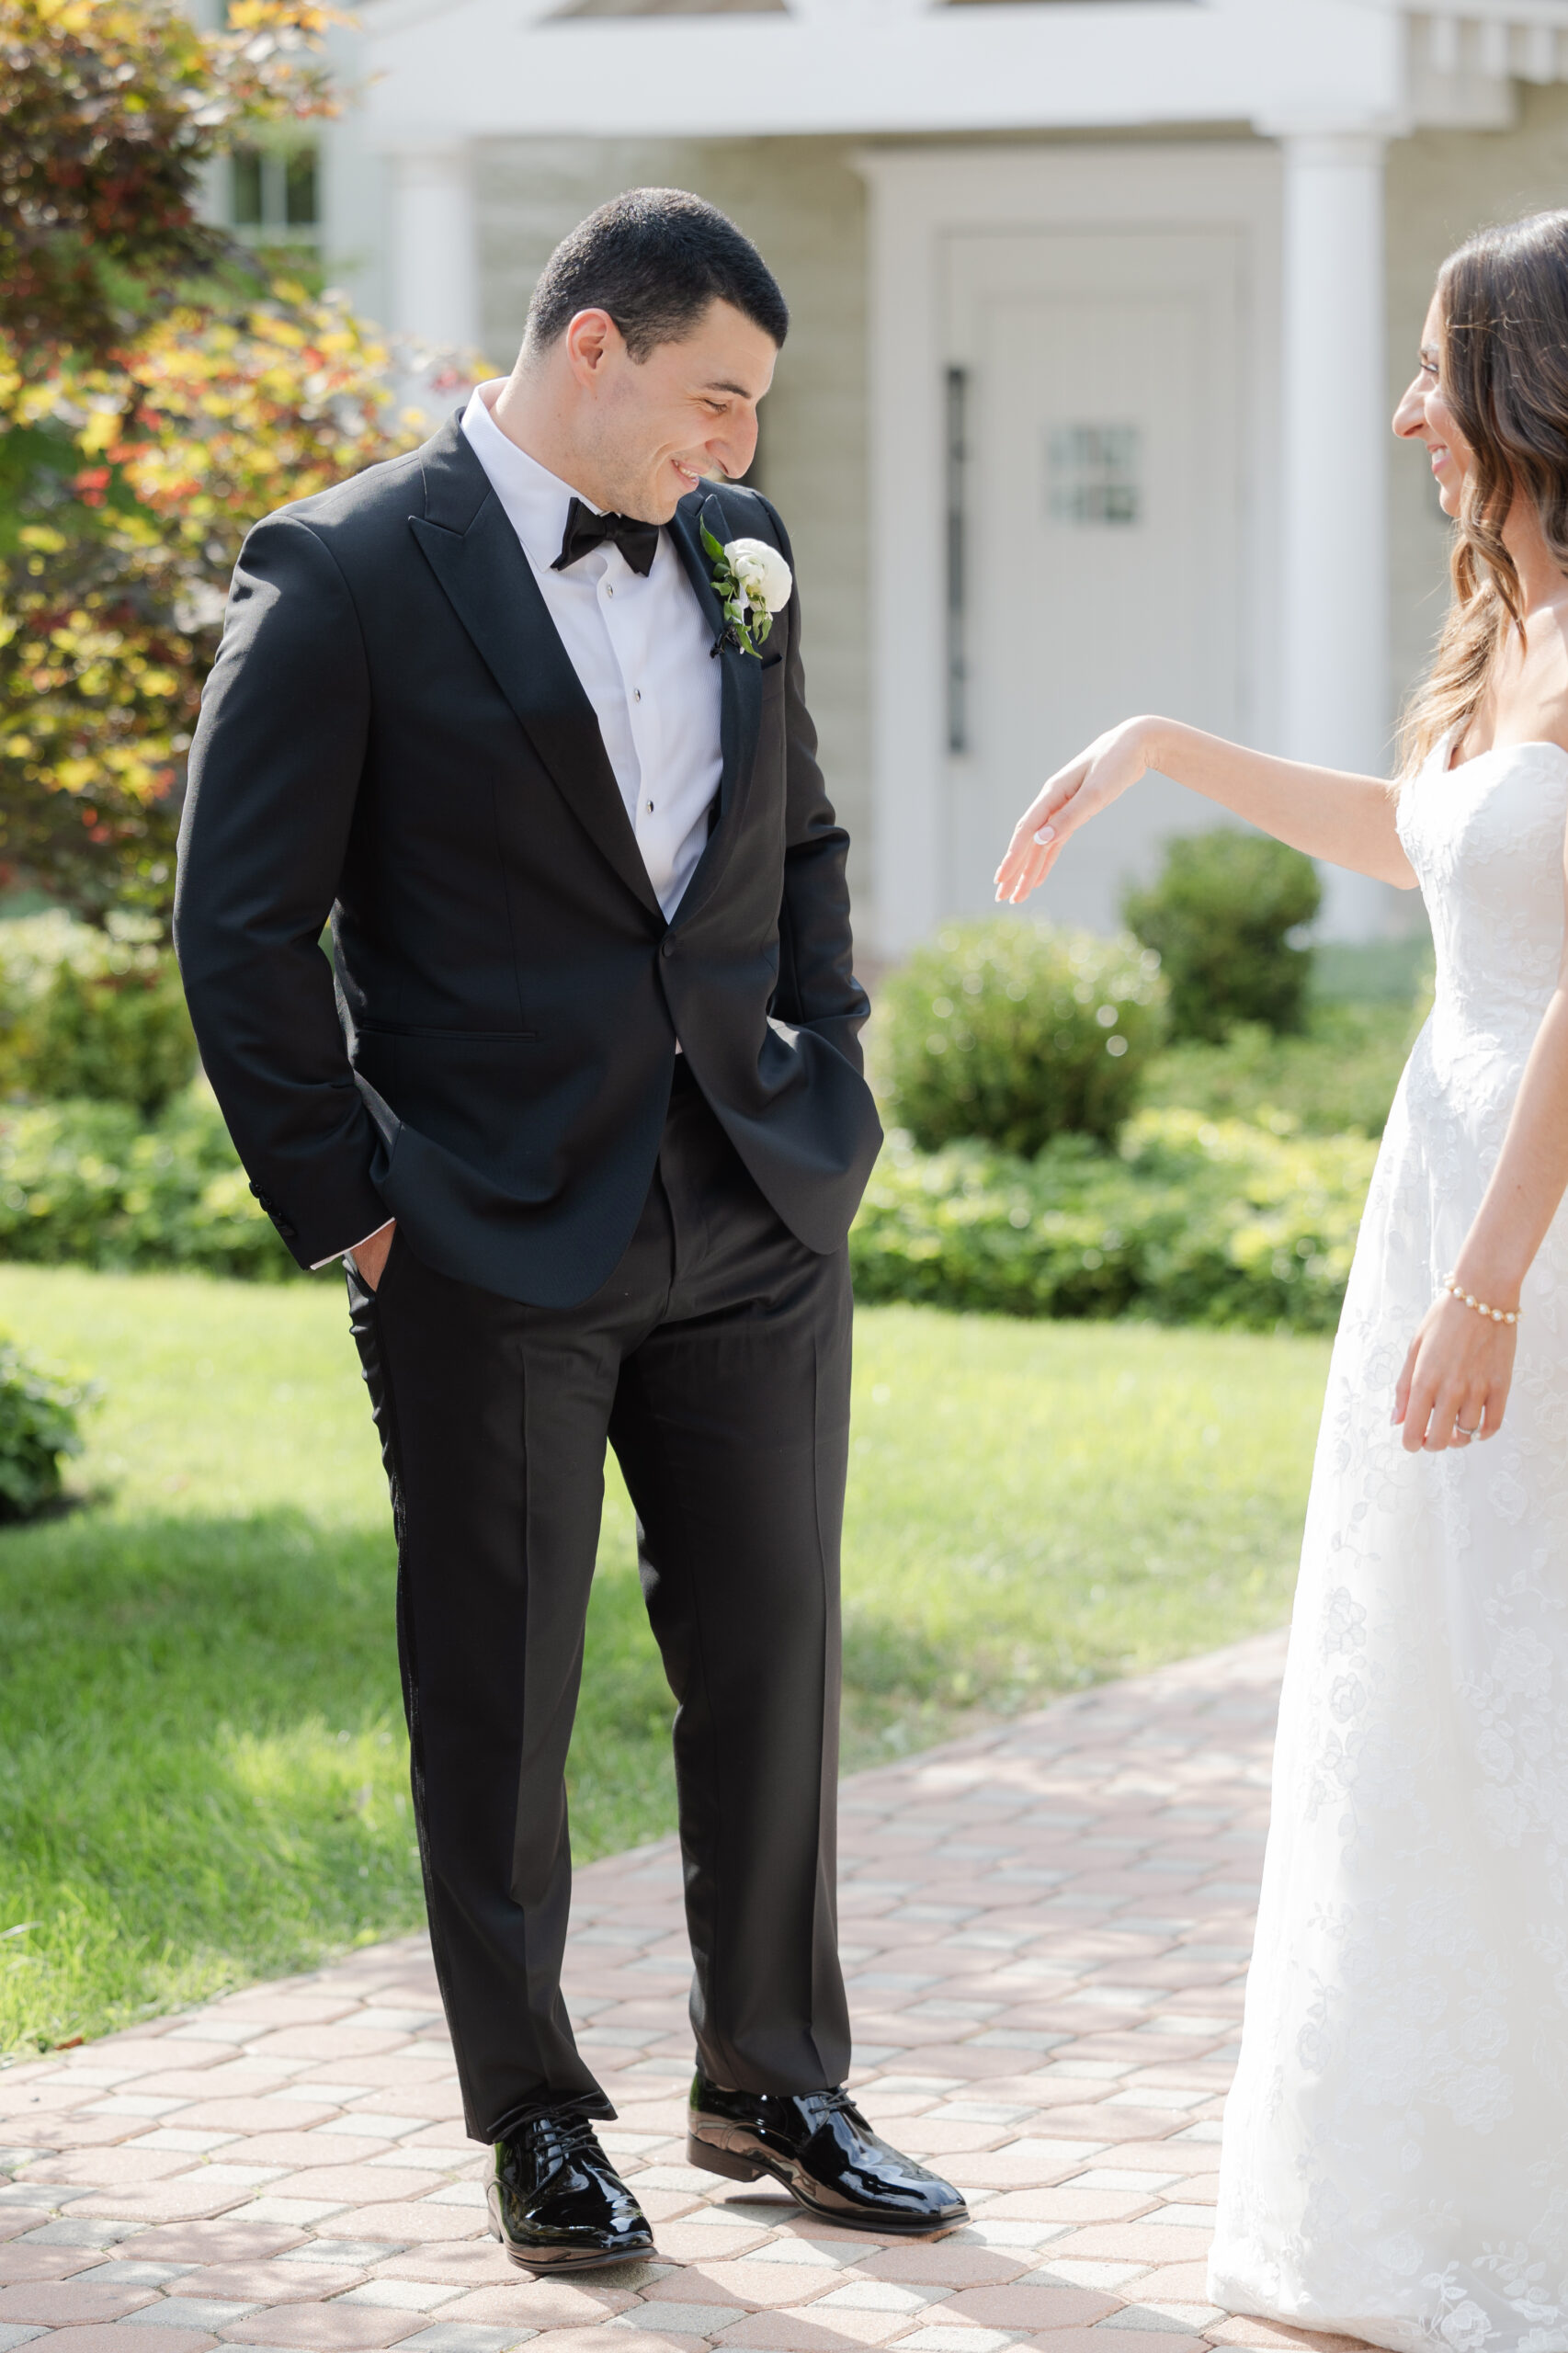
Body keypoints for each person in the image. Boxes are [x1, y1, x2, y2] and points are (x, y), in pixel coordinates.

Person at [175, 188, 965, 2274]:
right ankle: (532, 2112)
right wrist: (351, 1210)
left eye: (758, 413)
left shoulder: (738, 558)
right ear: (592, 345)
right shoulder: (346, 568)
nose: (735, 446)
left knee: (777, 1662)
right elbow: (237, 927)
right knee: (500, 1691)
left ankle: (771, 2075)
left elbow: (795, 833)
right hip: (483, 1232)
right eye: (714, 396)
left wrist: (827, 1074)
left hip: (755, 1205)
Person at [994, 210, 1568, 2352]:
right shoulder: (1509, 621)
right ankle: (1423, 2180)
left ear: (1526, 382)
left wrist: (1496, 1282)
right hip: (1439, 1196)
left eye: (1434, 369)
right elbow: (1430, 836)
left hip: (1533, 1220)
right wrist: (1155, 742)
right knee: (1424, 1675)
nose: (1406, 409)